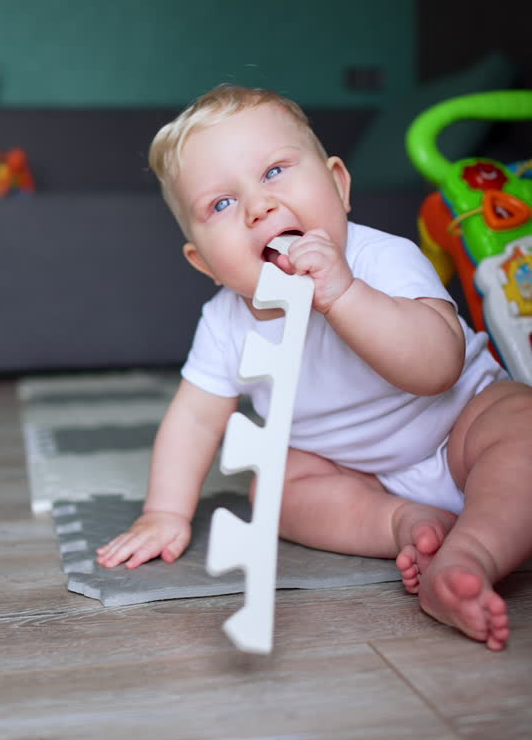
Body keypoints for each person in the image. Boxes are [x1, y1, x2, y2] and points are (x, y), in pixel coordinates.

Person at [96, 84, 532, 650]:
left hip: (459, 428)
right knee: (274, 491)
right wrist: (164, 511)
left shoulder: (383, 258)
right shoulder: (225, 320)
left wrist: (345, 294)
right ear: (204, 263)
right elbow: (195, 420)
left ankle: (472, 553)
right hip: (350, 471)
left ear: (339, 185)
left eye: (275, 171)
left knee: (521, 421)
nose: (259, 206)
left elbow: (437, 369)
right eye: (221, 205)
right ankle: (401, 522)